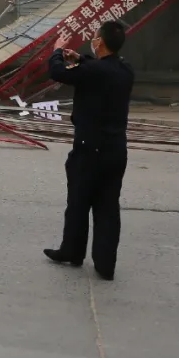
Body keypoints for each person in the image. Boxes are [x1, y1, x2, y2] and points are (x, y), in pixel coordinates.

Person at [43, 21, 134, 281]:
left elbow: (58, 73)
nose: (92, 40)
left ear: (101, 43)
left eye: (94, 38)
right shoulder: (126, 70)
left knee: (79, 202)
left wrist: (58, 51)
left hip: (89, 149)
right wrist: (80, 57)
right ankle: (106, 265)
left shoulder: (93, 71)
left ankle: (72, 250)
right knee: (108, 207)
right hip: (116, 149)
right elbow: (98, 69)